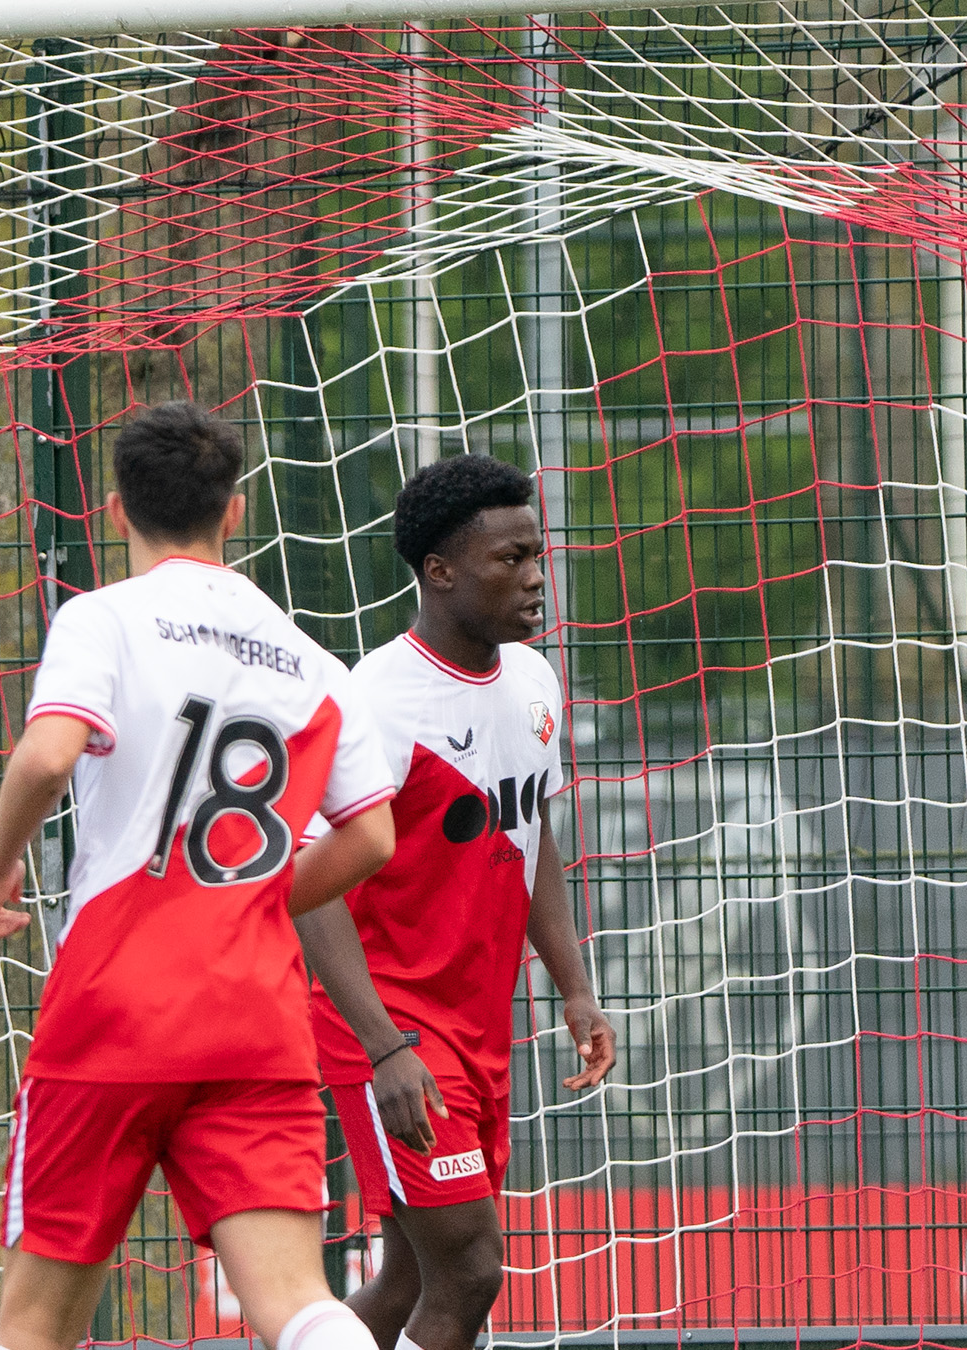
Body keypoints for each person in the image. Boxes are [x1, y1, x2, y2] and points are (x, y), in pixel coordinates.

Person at [0, 401, 402, 1350]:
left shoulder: (102, 618)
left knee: (33, 1325)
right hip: (253, 1014)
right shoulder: (313, 662)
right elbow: (371, 839)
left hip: (112, 1011)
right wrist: (254, 900)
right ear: (233, 513)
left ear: (115, 510)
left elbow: (45, 759)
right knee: (300, 1304)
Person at [293, 454, 618, 1350]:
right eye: (509, 559)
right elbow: (310, 895)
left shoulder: (534, 682)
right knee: (472, 1268)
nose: (536, 576)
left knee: (408, 1281)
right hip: (392, 1026)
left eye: (538, 554)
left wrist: (574, 985)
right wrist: (383, 1046)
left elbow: (533, 838)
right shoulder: (374, 704)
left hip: (478, 1026)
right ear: (440, 572)